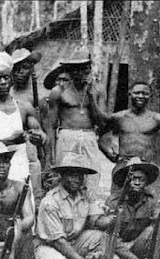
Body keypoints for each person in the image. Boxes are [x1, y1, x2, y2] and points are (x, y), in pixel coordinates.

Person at [34, 152, 146, 259]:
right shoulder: (50, 201)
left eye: (80, 175)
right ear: (62, 175)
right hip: (50, 246)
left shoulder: (84, 196)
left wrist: (111, 219)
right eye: (72, 175)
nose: (77, 179)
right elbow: (58, 242)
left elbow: (98, 221)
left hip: (74, 243)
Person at [0, 52, 47, 191]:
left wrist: (39, 137)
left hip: (19, 166)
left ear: (11, 80)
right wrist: (7, 142)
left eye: (6, 77)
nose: (3, 82)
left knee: (22, 207)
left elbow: (40, 132)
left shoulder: (24, 107)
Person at [100, 81, 160, 196]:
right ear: (130, 94)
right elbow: (100, 138)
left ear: (150, 96)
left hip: (146, 166)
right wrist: (110, 154)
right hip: (123, 166)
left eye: (145, 93)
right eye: (137, 93)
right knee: (117, 202)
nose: (140, 96)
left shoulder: (157, 119)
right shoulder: (118, 117)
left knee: (146, 202)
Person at [44, 46, 105, 199]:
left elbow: (102, 123)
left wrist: (91, 99)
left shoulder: (96, 91)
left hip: (89, 136)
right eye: (76, 69)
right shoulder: (59, 91)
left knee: (91, 179)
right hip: (66, 137)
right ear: (70, 70)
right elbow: (50, 126)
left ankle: (88, 217)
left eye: (84, 69)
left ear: (90, 68)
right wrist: (49, 156)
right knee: (65, 179)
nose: (80, 73)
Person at [10, 48, 45, 207]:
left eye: (24, 68)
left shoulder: (39, 96)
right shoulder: (7, 92)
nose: (19, 73)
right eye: (15, 69)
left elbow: (46, 130)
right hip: (11, 145)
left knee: (34, 192)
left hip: (31, 147)